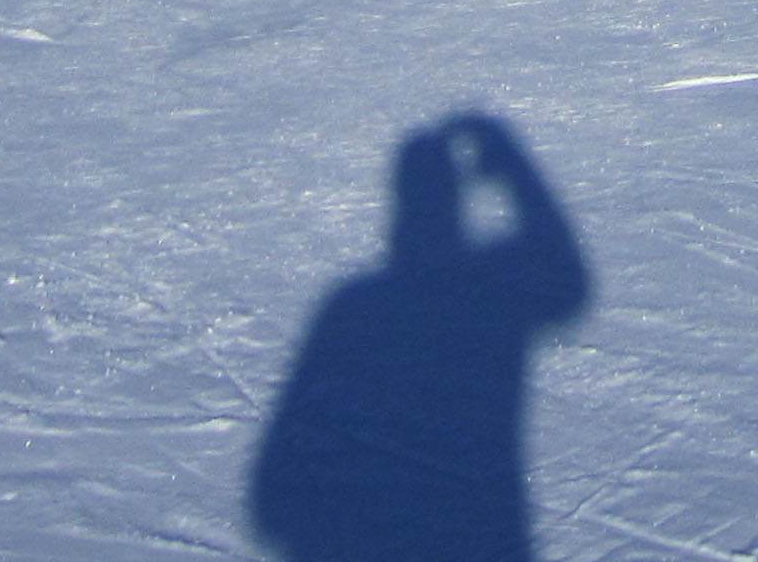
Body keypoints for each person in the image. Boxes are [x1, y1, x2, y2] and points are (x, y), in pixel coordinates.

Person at [250, 114, 591, 562]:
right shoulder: (487, 292)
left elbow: (275, 489)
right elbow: (565, 282)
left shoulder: (353, 305)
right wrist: (506, 157)